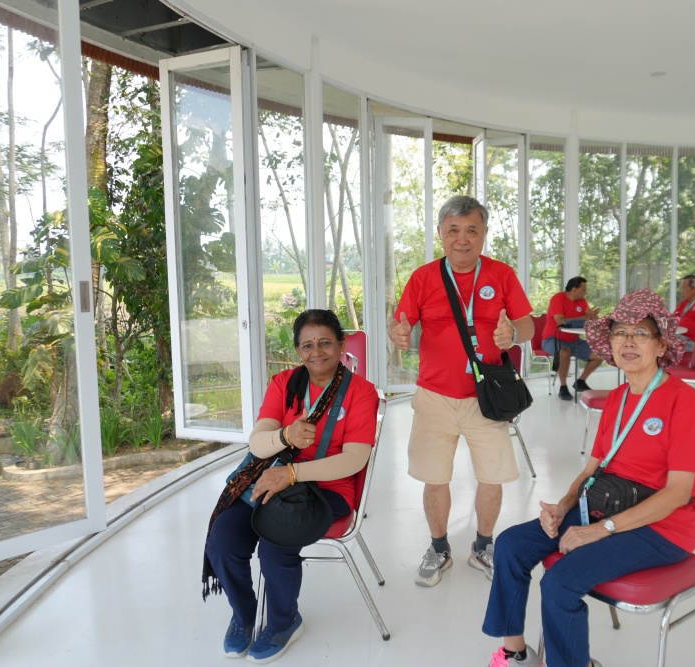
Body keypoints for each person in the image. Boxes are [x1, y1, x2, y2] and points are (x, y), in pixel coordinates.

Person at [481, 289, 695, 667]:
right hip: (605, 506)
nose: (628, 342)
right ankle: (515, 653)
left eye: (641, 333)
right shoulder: (617, 398)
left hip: (661, 528)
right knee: (510, 544)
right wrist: (562, 507)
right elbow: (592, 470)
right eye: (620, 333)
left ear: (661, 345)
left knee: (559, 582)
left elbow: (676, 494)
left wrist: (600, 530)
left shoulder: (682, 401)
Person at [202, 309, 379, 662]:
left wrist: (293, 474)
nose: (317, 352)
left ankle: (284, 622)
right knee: (222, 539)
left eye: (325, 342)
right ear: (298, 350)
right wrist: (286, 436)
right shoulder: (283, 383)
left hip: (328, 489)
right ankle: (244, 615)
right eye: (307, 345)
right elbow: (257, 444)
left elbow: (355, 459)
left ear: (341, 345)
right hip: (272, 477)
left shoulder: (361, 392)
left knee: (275, 543)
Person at [389, 195, 534, 587]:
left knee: (492, 477)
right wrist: (397, 332)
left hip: (487, 396)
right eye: (453, 230)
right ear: (441, 233)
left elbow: (527, 325)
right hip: (434, 396)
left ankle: (483, 546)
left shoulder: (501, 274)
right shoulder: (423, 277)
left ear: (484, 233)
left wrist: (511, 334)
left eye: (472, 230)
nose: (462, 238)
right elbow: (400, 322)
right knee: (434, 478)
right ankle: (439, 547)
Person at [542, 277, 603, 400]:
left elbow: (587, 318)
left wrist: (593, 318)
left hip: (574, 341)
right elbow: (560, 321)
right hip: (552, 339)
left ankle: (580, 381)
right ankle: (563, 387)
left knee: (600, 352)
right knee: (564, 352)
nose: (585, 292)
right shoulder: (558, 298)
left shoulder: (582, 301)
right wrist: (584, 317)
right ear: (574, 290)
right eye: (583, 290)